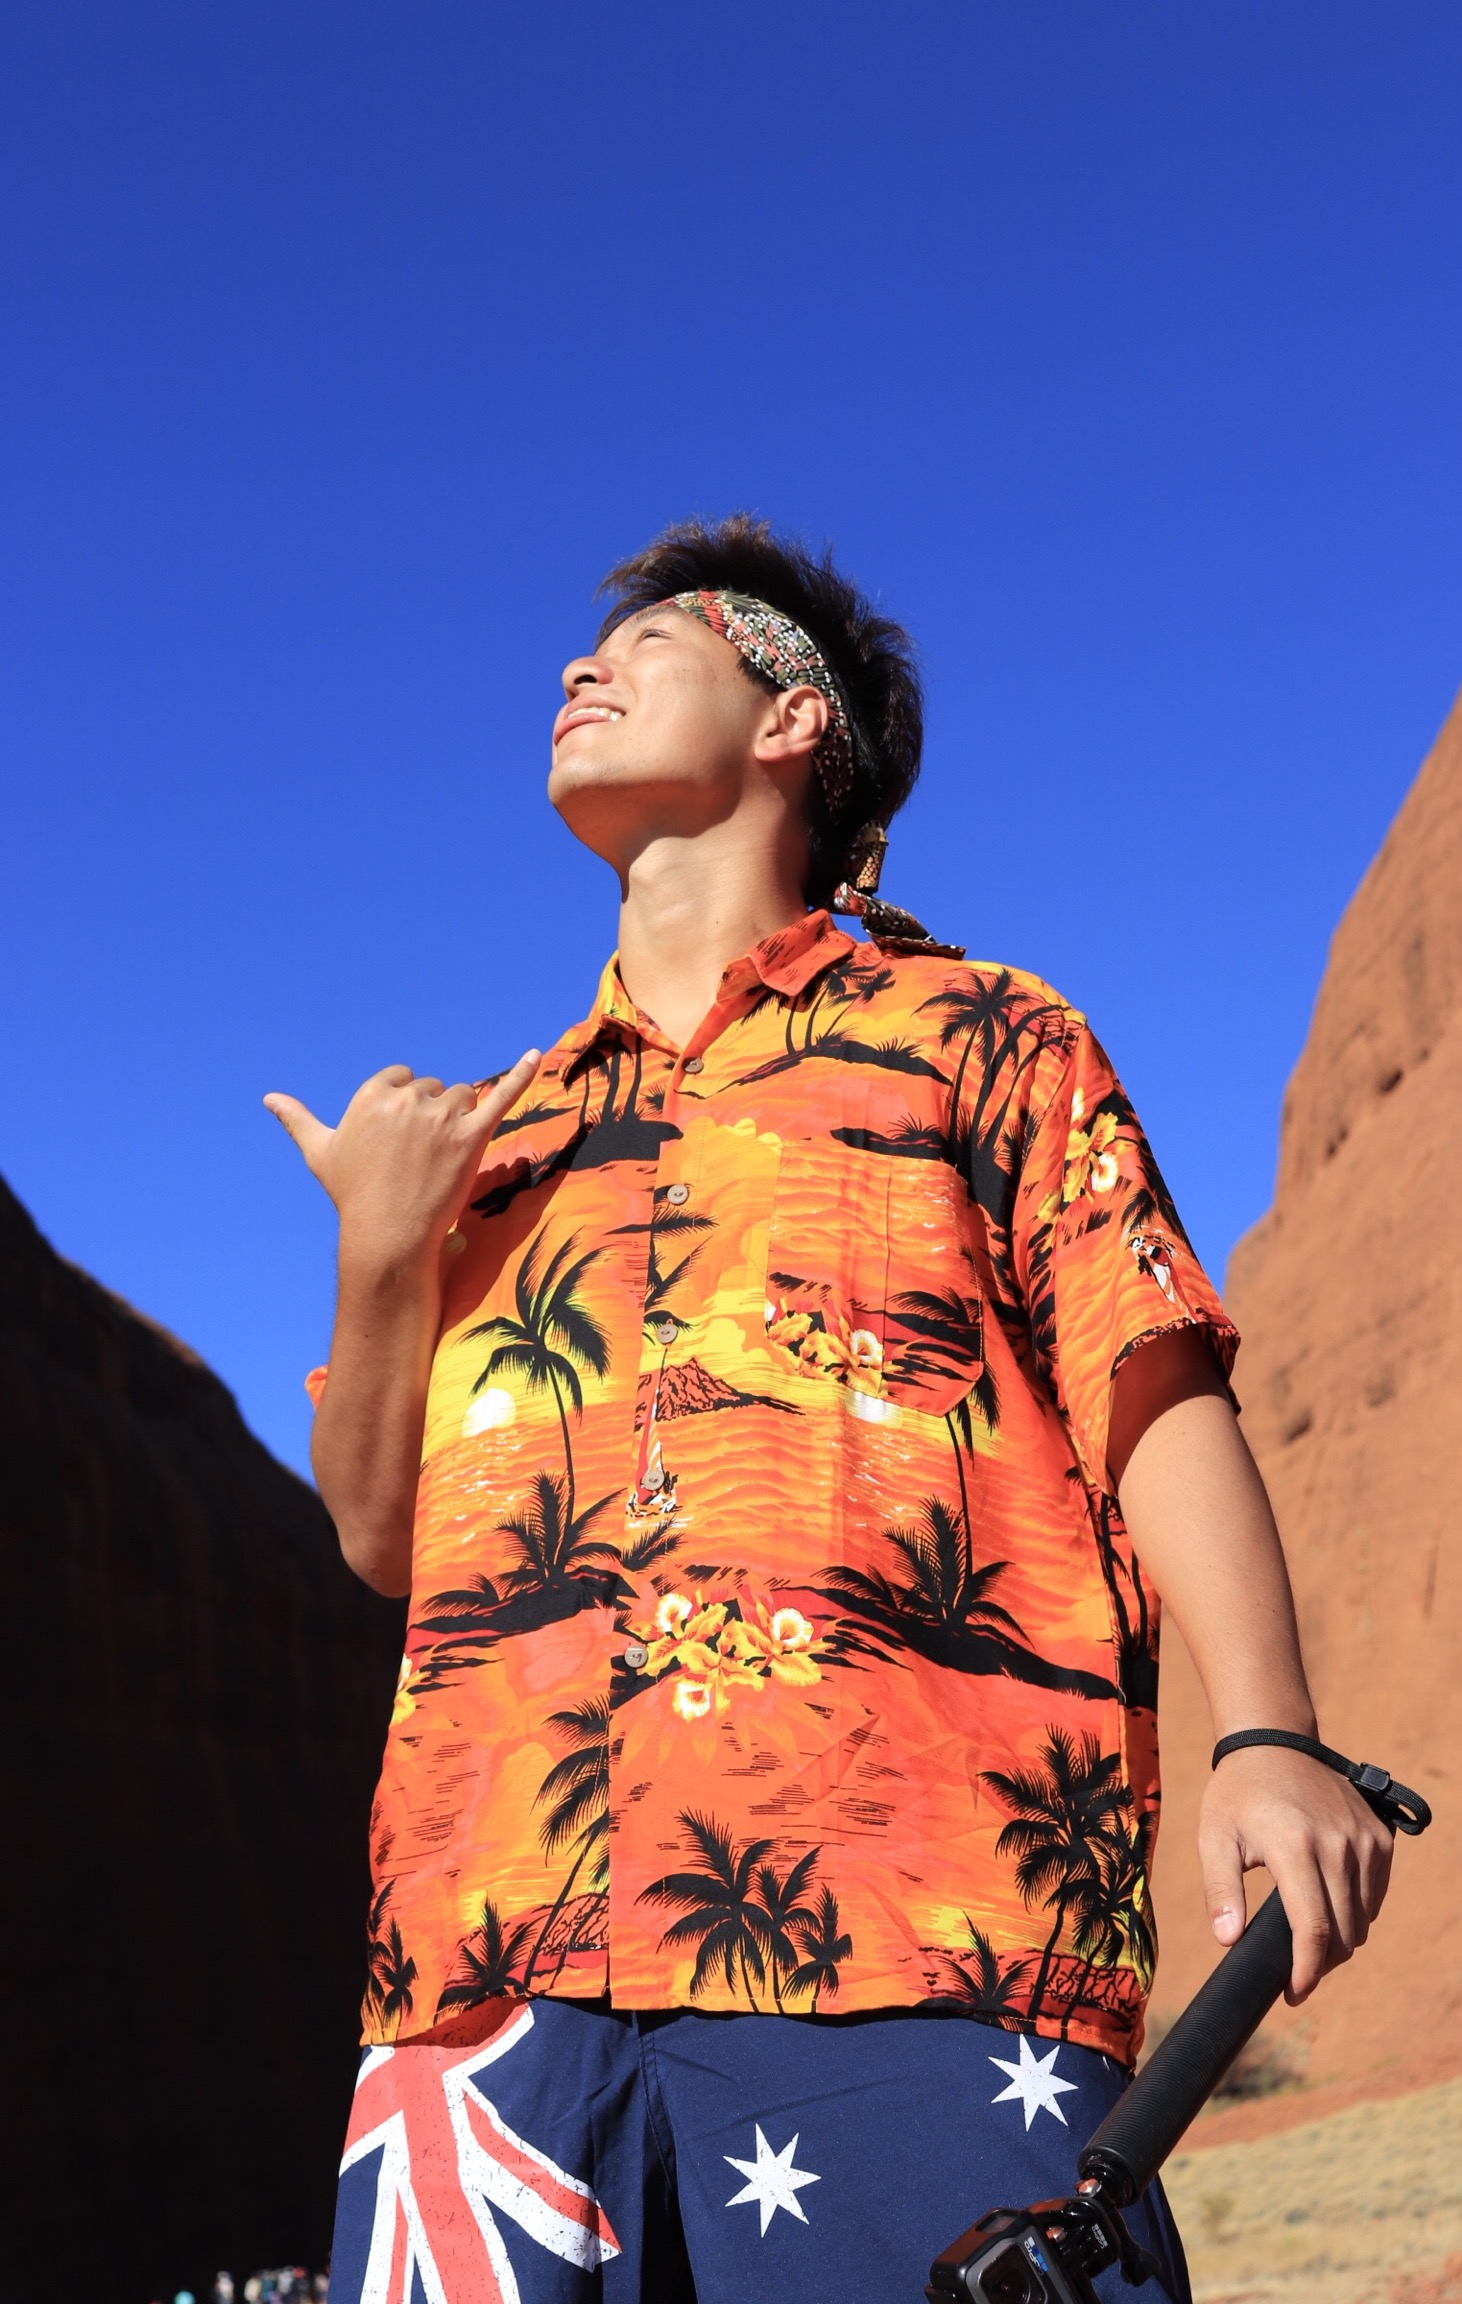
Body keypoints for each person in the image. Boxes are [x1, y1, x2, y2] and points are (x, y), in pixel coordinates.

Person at [266, 517, 1393, 2304]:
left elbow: (1148, 1374)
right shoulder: (492, 1140)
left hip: (914, 1951)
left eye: (654, 643)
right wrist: (383, 1258)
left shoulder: (984, 1039)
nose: (582, 667)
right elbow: (381, 1538)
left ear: (794, 720)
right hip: (483, 1992)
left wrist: (1270, 1729)